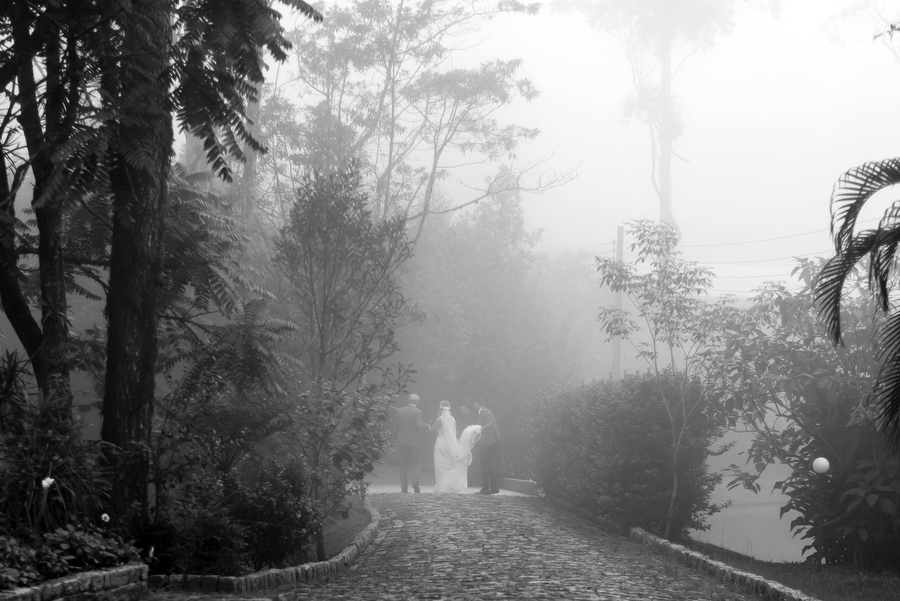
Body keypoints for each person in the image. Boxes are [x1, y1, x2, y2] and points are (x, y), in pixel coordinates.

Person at [429, 401, 481, 494]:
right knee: (449, 463)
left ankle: (442, 487)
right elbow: (453, 433)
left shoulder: (440, 419)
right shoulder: (452, 419)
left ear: (440, 409)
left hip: (440, 442)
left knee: (441, 465)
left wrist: (427, 426)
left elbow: (432, 430)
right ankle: (451, 485)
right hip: (449, 444)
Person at [390, 393, 427, 493]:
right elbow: (419, 425)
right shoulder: (418, 412)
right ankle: (415, 482)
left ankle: (404, 487)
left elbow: (395, 428)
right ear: (417, 402)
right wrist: (426, 426)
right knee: (417, 463)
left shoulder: (399, 411)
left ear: (408, 400)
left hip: (401, 442)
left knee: (403, 465)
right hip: (415, 443)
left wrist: (389, 438)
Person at [473, 400, 501, 494]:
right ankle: (493, 487)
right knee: (487, 464)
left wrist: (480, 429)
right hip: (488, 441)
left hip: (490, 442)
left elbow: (490, 423)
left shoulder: (485, 411)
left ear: (476, 403)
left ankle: (486, 487)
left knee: (484, 464)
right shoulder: (483, 412)